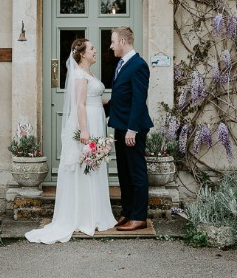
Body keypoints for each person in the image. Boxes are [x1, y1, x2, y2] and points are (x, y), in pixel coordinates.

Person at [25, 38, 116, 244]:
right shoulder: (78, 74)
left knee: (94, 166)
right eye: (92, 48)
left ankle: (95, 213)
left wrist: (114, 101)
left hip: (95, 119)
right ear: (82, 53)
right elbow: (80, 104)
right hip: (86, 123)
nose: (95, 51)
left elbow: (94, 99)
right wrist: (84, 131)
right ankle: (83, 216)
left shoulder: (89, 74)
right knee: (85, 166)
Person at [106, 27, 153, 232]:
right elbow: (122, 96)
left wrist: (132, 129)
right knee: (124, 173)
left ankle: (139, 216)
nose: (111, 46)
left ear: (123, 41)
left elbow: (138, 100)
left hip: (132, 129)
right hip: (120, 126)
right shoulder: (122, 64)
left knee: (137, 172)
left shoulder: (139, 65)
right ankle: (127, 211)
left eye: (113, 42)